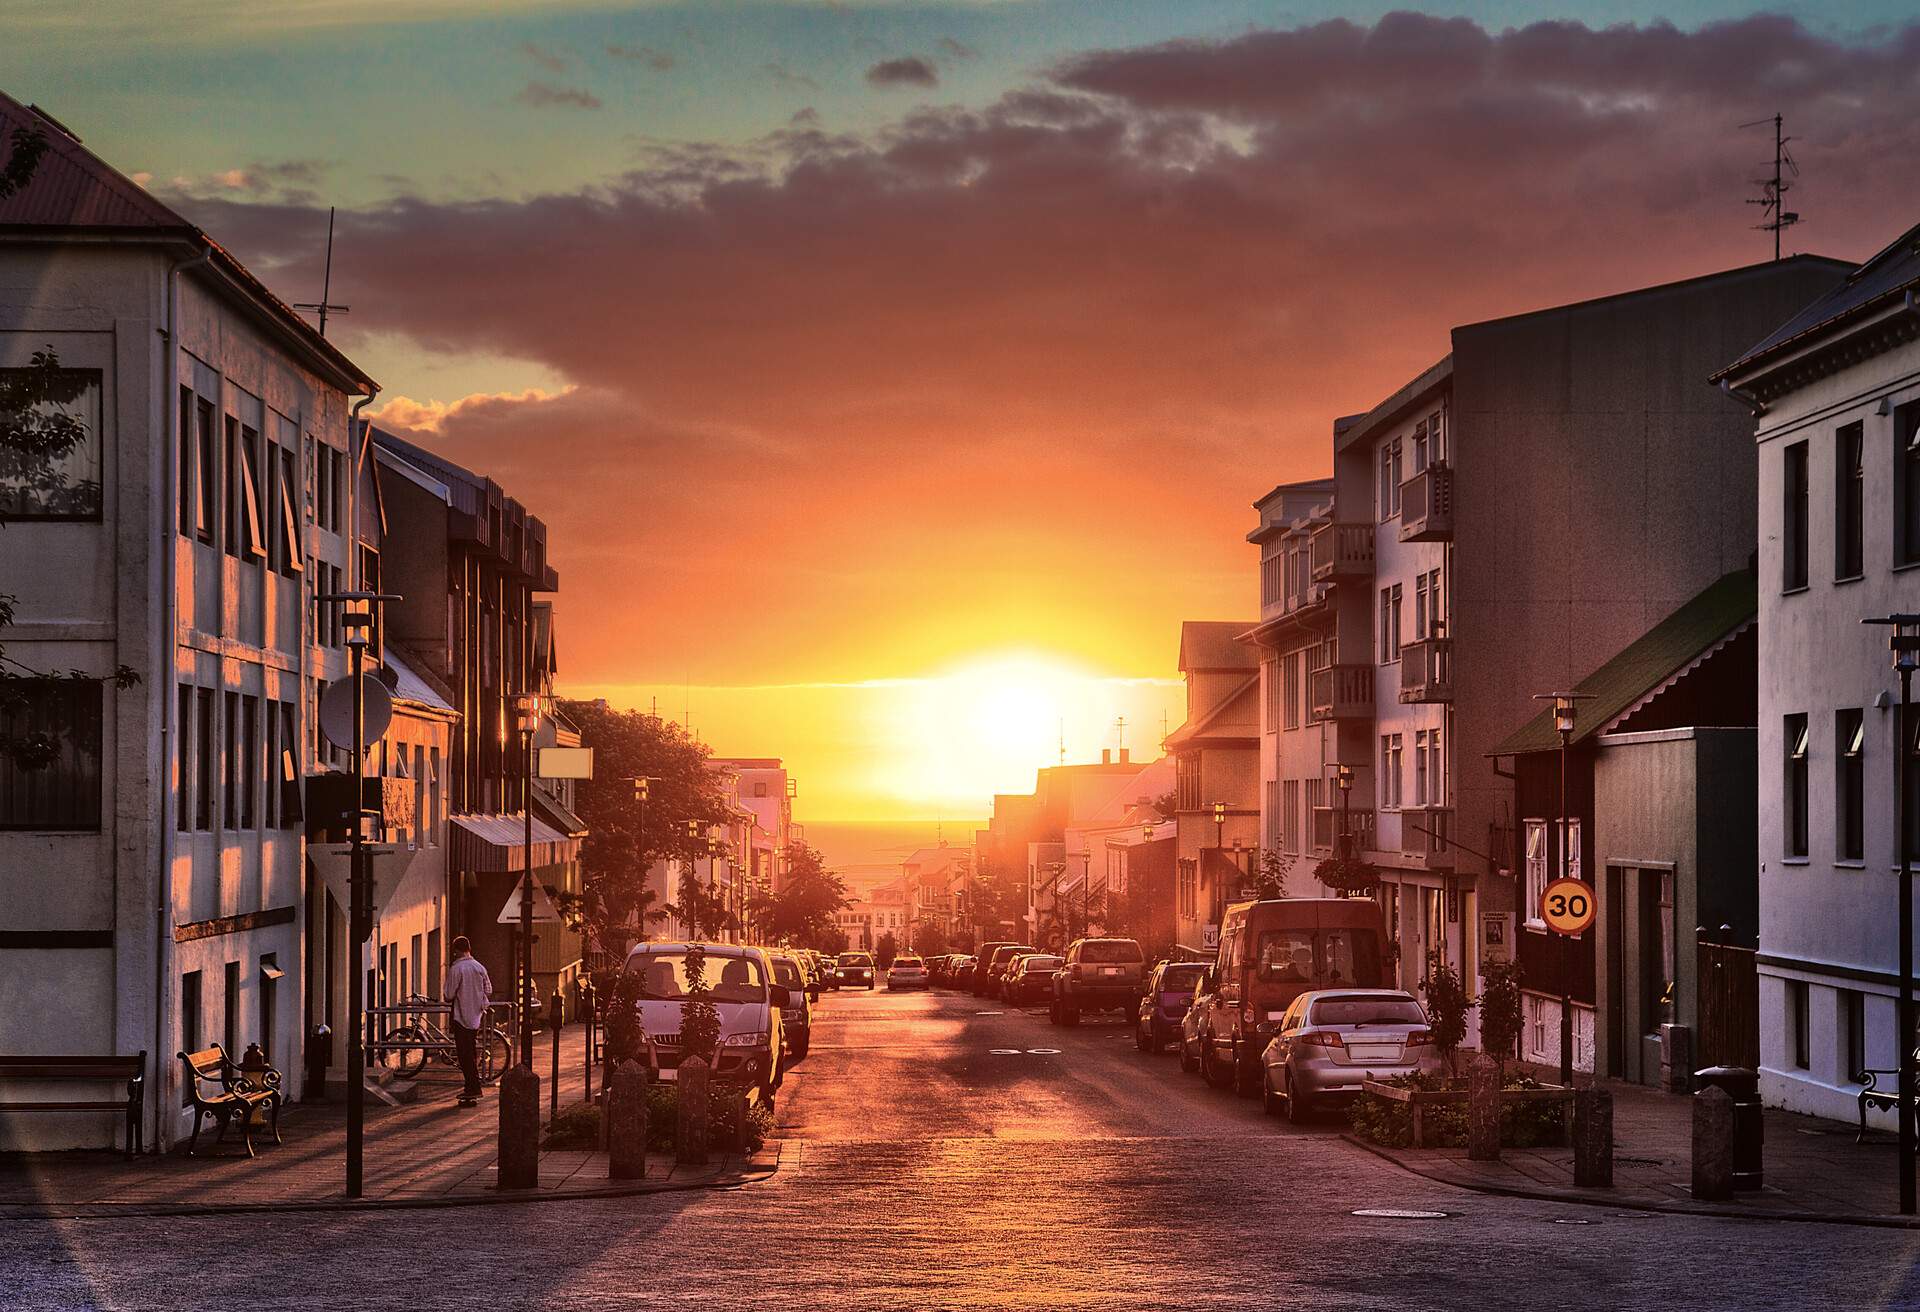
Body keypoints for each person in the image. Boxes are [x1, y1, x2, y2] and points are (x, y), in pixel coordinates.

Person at [443, 936, 491, 1107]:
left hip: (461, 1015)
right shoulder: (479, 967)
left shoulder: (457, 969)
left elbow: (448, 995)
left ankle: (473, 1087)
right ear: (469, 948)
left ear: (456, 950)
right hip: (476, 1016)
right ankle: (472, 1086)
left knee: (464, 1055)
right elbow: (488, 989)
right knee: (470, 1052)